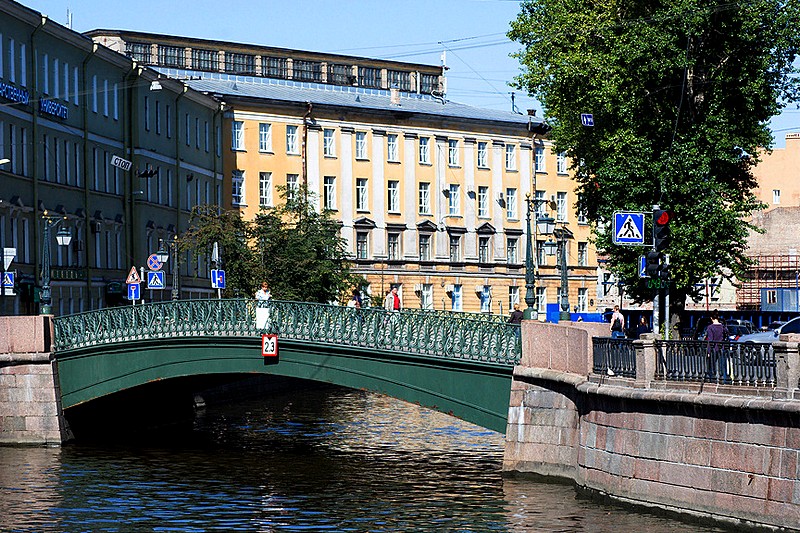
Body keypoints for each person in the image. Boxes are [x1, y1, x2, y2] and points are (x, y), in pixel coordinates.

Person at [705, 310, 729, 383]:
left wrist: (708, 351)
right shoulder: (722, 326)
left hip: (713, 349)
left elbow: (710, 340)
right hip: (722, 347)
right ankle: (724, 380)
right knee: (723, 366)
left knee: (711, 366)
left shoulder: (710, 327)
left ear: (711, 318)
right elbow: (727, 333)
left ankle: (713, 380)